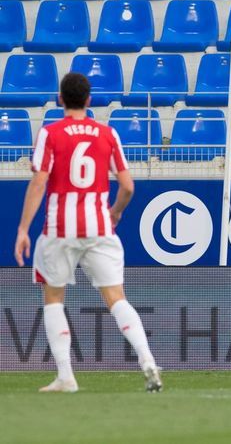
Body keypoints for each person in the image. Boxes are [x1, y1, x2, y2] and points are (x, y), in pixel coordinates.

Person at [14, 73, 162, 393]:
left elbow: (39, 182)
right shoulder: (107, 134)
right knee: (116, 297)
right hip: (99, 226)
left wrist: (23, 228)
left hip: (59, 228)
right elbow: (127, 186)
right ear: (89, 100)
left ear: (60, 99)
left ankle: (66, 376)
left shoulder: (50, 134)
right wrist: (116, 212)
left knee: (53, 297)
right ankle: (148, 360)